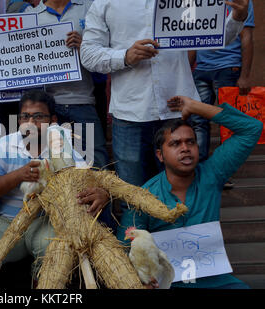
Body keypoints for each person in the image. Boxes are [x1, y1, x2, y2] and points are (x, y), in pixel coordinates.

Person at [80, 0, 250, 201]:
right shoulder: (104, 3)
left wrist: (237, 18)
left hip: (176, 111)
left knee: (180, 195)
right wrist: (125, 56)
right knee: (132, 196)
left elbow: (214, 37)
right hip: (130, 113)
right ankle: (136, 233)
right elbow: (88, 55)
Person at [0, 89, 112, 288]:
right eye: (25, 116)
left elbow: (88, 183)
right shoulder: (3, 145)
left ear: (53, 120)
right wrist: (19, 175)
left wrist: (102, 193)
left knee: (54, 249)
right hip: (9, 222)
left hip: (48, 222)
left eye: (39, 116)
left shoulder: (64, 147)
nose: (30, 122)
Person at [116, 95, 263, 289]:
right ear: (160, 155)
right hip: (167, 283)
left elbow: (252, 128)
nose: (185, 148)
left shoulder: (213, 173)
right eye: (175, 144)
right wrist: (140, 282)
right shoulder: (144, 196)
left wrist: (195, 107)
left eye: (191, 142)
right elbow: (124, 249)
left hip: (217, 282)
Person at [25, 0, 109, 170]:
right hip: (46, 106)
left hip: (82, 100)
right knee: (50, 164)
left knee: (97, 163)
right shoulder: (29, 15)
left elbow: (106, 53)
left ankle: (101, 197)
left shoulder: (89, 8)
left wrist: (84, 47)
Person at [188, 1, 254, 164]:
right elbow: (193, 40)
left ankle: (223, 169)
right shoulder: (199, 3)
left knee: (228, 122)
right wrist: (187, 73)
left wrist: (244, 76)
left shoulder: (242, 2)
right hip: (201, 69)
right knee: (198, 120)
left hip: (228, 69)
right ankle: (200, 168)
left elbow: (247, 37)